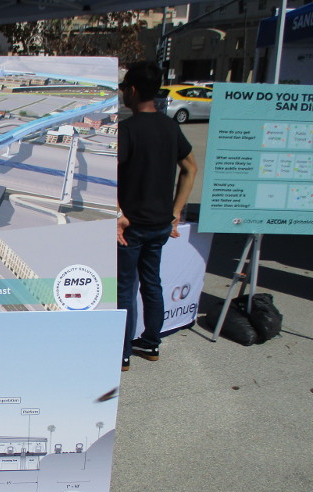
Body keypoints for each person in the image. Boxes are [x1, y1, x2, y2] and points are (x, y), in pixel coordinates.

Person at [117, 61, 197, 371]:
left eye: (124, 88)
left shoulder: (127, 130)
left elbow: (111, 176)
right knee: (152, 284)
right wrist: (175, 212)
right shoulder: (170, 127)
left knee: (125, 288)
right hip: (160, 225)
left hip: (131, 226)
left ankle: (122, 353)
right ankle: (150, 343)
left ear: (132, 90)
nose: (123, 93)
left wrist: (119, 214)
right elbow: (190, 168)